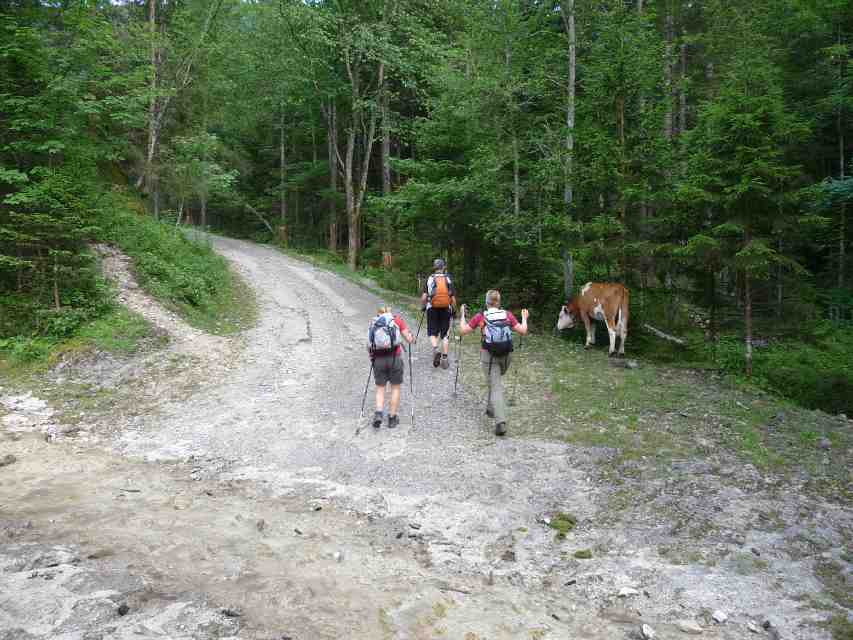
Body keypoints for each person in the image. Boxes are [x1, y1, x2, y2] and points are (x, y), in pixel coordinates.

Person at [458, 290, 529, 436]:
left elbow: (463, 331)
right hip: (507, 356)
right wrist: (524, 318)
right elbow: (522, 331)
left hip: (489, 356)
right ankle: (490, 408)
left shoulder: (481, 316)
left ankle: (500, 422)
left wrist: (463, 316)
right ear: (498, 302)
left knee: (495, 386)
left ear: (486, 301)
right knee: (494, 381)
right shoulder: (507, 315)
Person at [368, 306, 415, 429]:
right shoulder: (396, 320)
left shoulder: (374, 323)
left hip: (378, 360)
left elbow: (369, 344)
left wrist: (372, 358)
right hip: (395, 358)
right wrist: (411, 336)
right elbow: (409, 339)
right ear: (389, 312)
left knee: (380, 388)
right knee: (395, 388)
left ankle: (378, 414)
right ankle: (392, 418)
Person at [420, 258, 457, 369]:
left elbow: (424, 296)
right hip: (446, 308)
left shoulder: (430, 278)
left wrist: (423, 307)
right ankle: (444, 358)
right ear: (443, 267)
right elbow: (453, 299)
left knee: (432, 332)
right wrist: (454, 311)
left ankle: (436, 349)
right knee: (445, 334)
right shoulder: (448, 279)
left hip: (432, 308)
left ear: (434, 267)